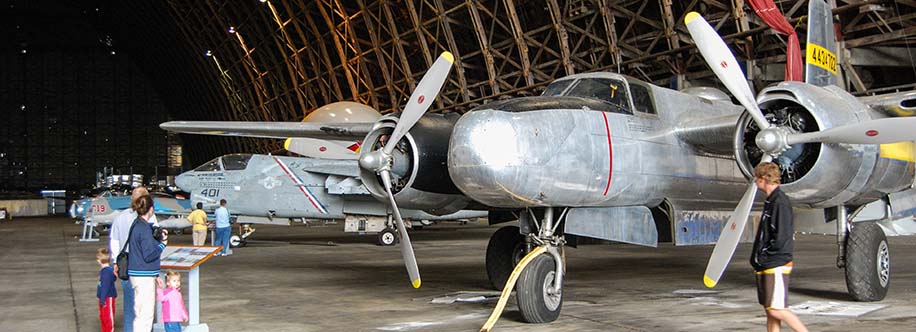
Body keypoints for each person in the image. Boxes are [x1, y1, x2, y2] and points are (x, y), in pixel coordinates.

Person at [750, 162, 808, 332]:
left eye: (756, 178)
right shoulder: (771, 201)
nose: (755, 181)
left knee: (777, 309)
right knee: (770, 310)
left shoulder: (780, 202)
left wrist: (766, 255)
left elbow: (782, 236)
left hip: (775, 263)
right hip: (767, 263)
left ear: (763, 179)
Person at [108, 186, 156, 332]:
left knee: (130, 307)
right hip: (143, 267)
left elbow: (114, 241)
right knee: (145, 310)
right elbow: (153, 244)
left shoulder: (120, 217)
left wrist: (115, 262)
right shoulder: (149, 218)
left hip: (125, 265)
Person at [127, 194, 168, 332]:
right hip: (143, 276)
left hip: (139, 273)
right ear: (151, 209)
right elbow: (149, 255)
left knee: (140, 312)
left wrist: (156, 275)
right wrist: (163, 244)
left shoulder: (137, 224)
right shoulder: (144, 229)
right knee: (145, 315)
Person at [96, 248, 117, 332]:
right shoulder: (109, 270)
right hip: (105, 297)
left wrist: (102, 299)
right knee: (104, 317)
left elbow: (105, 287)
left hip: (106, 297)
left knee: (107, 318)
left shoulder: (105, 272)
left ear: (100, 260)